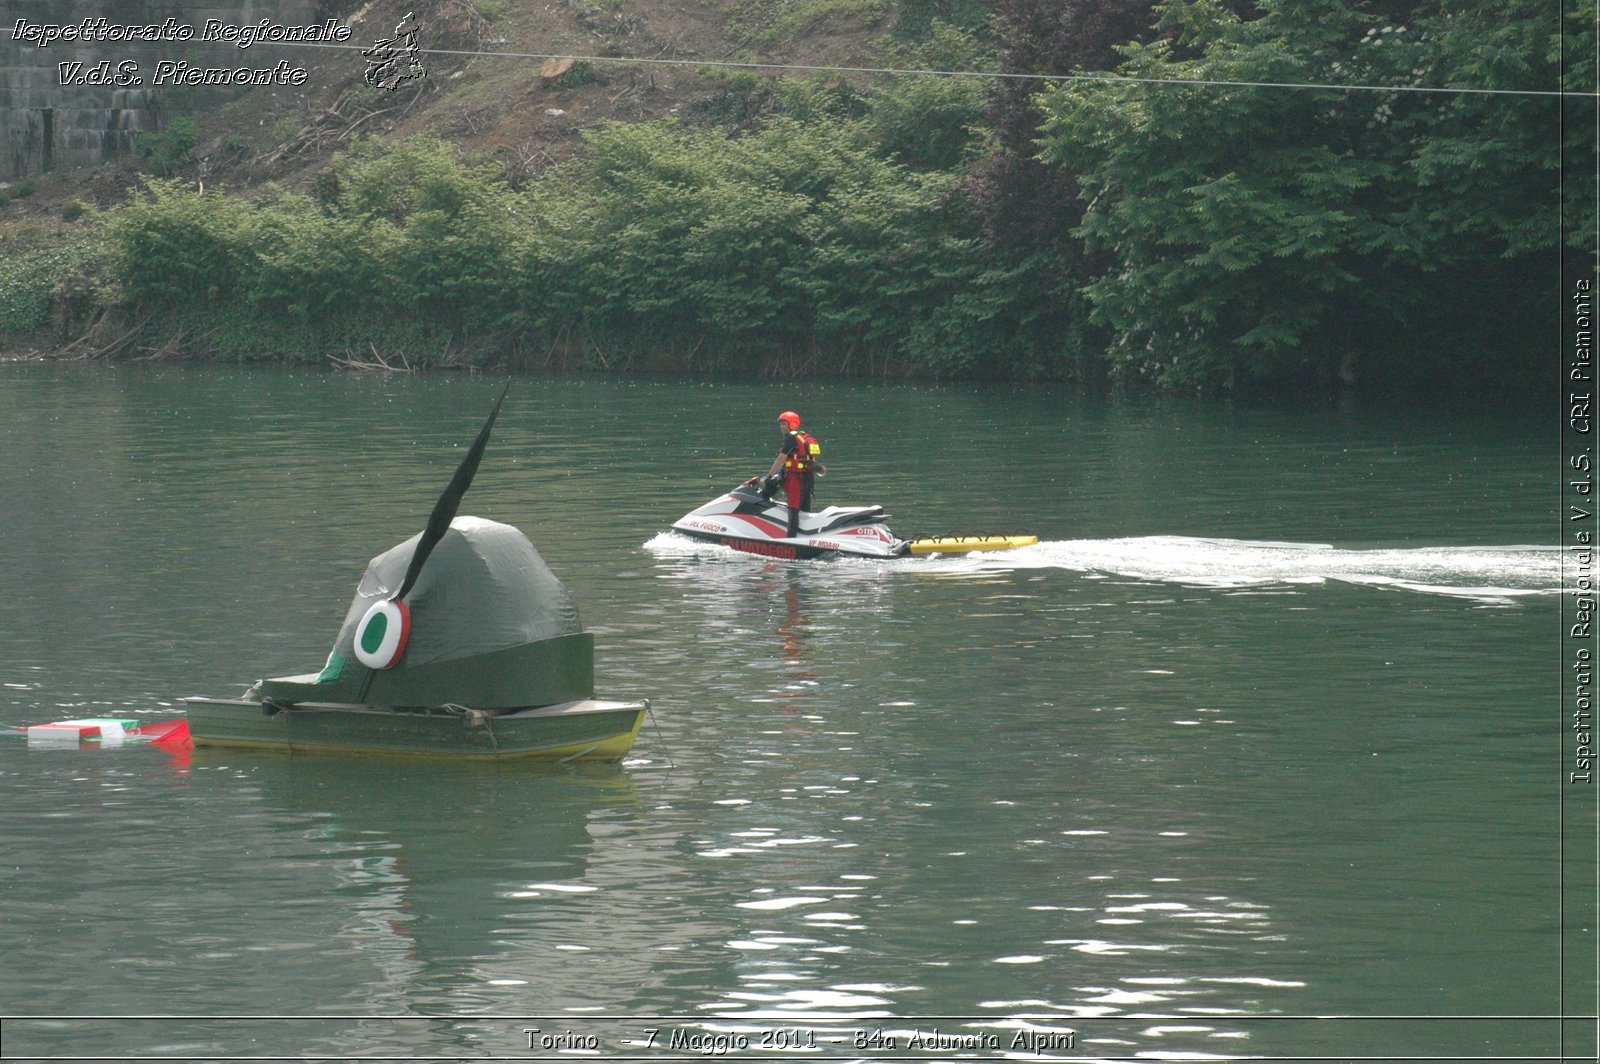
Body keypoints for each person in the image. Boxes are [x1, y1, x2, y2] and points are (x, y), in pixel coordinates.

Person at [763, 410, 825, 537]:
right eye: (780, 424)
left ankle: (791, 539)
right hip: (807, 479)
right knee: (804, 510)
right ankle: (806, 536)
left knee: (793, 509)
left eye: (784, 424)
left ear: (792, 424)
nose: (781, 427)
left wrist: (769, 476)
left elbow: (781, 459)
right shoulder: (803, 437)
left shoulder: (791, 438)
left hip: (796, 479)